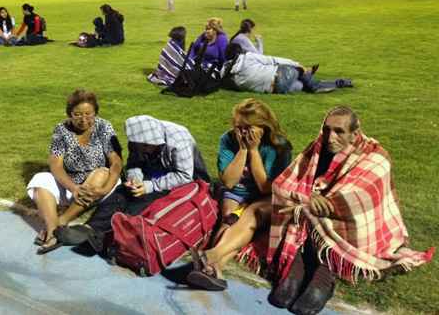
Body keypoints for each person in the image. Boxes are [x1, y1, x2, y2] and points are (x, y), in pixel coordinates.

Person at [260, 106, 434, 314]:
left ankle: (327, 270)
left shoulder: (376, 157)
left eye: (339, 132)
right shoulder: (315, 150)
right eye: (326, 130)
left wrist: (330, 205)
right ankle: (297, 261)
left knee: (312, 295)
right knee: (283, 295)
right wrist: (309, 197)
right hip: (308, 222)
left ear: (354, 134)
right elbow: (285, 184)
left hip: (346, 229)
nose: (330, 137)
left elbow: (362, 199)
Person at [57, 114, 210, 253]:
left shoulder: (179, 139)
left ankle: (106, 237)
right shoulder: (137, 139)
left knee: (145, 201)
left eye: (149, 145)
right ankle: (90, 228)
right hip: (153, 174)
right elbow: (134, 163)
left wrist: (150, 186)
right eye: (143, 146)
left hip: (185, 182)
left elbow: (184, 176)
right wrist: (134, 179)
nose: (146, 148)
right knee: (123, 191)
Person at [186, 99, 292, 291]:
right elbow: (229, 182)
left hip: (265, 197)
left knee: (253, 211)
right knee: (230, 219)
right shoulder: (227, 139)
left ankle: (209, 257)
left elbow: (265, 187)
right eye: (238, 127)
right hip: (236, 192)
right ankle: (215, 267)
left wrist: (254, 151)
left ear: (263, 126)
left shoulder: (279, 146)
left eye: (248, 128)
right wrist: (243, 150)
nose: (242, 133)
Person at [25, 90, 122, 254]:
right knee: (40, 179)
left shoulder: (104, 127)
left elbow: (116, 163)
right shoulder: (61, 130)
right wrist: (73, 188)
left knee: (101, 174)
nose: (83, 119)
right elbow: (56, 165)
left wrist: (104, 190)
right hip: (71, 185)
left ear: (95, 113)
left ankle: (61, 222)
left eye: (88, 114)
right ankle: (53, 231)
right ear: (69, 114)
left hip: (99, 186)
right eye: (77, 114)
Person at [222, 44, 353, 94]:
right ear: (239, 52)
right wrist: (298, 65)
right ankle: (313, 82)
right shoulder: (248, 57)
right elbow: (273, 59)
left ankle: (338, 83)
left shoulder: (226, 74)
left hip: (275, 90)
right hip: (279, 77)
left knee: (301, 85)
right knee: (298, 71)